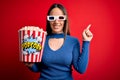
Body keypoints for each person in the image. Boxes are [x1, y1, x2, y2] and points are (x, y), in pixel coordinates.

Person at [24, 3, 93, 80]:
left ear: (65, 20)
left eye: (60, 17)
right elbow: (38, 69)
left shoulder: (73, 42)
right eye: (52, 18)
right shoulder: (40, 39)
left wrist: (86, 41)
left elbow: (81, 69)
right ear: (48, 20)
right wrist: (30, 65)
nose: (56, 21)